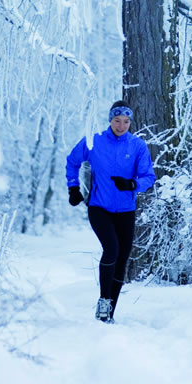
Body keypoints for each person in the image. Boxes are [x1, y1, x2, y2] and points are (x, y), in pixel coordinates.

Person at [65, 100, 156, 323]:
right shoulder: (94, 141)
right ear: (110, 120)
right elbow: (72, 161)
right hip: (99, 207)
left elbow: (149, 176)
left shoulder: (137, 146)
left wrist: (133, 185)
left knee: (122, 258)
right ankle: (103, 300)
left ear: (130, 122)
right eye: (117, 120)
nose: (121, 125)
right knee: (111, 249)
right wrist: (73, 188)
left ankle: (108, 313)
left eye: (126, 121)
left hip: (126, 209)